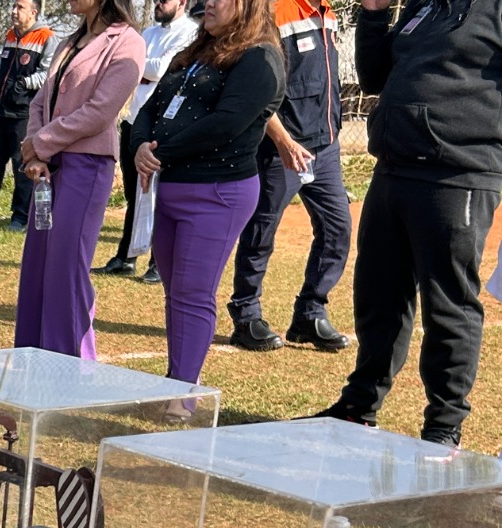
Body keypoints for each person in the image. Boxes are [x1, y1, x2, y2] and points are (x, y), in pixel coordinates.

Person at [314, 0, 502, 446]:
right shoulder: (426, 5)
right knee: (378, 294)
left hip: (458, 174)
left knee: (449, 303)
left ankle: (443, 425)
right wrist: (374, 15)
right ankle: (359, 405)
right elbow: (374, 78)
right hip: (394, 167)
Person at [132, 0, 285, 384]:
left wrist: (160, 153)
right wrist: (139, 144)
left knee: (192, 293)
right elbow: (151, 106)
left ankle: (183, 395)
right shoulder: (196, 51)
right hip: (170, 188)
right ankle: (178, 380)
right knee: (175, 293)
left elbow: (226, 123)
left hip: (216, 193)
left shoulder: (260, 58)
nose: (210, 4)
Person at [13, 0, 145, 358]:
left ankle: (71, 363)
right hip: (47, 166)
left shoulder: (127, 42)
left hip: (87, 165)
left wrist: (40, 143)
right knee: (37, 266)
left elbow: (100, 112)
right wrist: (36, 152)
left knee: (66, 268)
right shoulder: (68, 42)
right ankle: (30, 358)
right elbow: (40, 102)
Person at [225, 0, 352, 351]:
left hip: (325, 147)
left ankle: (310, 312)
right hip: (280, 149)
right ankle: (246, 315)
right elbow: (257, 89)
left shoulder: (328, 12)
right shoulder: (277, 10)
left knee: (337, 229)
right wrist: (283, 141)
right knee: (261, 231)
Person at [94, 0, 198, 281]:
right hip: (135, 122)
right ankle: (126, 258)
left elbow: (162, 70)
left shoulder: (190, 32)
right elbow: (134, 70)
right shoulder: (149, 34)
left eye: (164, 0)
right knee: (134, 195)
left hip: (163, 125)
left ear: (182, 2)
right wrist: (140, 70)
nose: (157, 3)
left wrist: (134, 67)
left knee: (160, 197)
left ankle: (158, 263)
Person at [0, 0, 54, 232]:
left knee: (23, 165)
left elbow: (49, 74)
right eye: (13, 7)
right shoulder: (11, 35)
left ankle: (21, 216)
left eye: (20, 7)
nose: (14, 11)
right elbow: (1, 63)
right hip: (0, 111)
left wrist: (22, 84)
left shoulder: (46, 37)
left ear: (34, 12)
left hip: (24, 114)